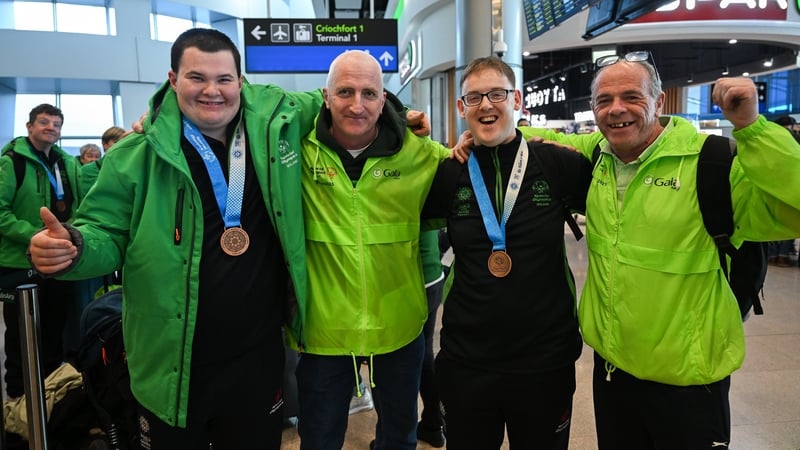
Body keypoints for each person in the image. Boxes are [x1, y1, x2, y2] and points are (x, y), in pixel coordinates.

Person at [28, 28, 324, 449]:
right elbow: (104, 231)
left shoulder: (275, 128)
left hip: (257, 359)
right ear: (173, 80)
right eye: (196, 78)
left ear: (241, 82)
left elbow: (345, 100)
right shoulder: (136, 155)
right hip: (172, 367)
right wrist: (74, 247)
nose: (212, 91)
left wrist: (401, 118)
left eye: (224, 79)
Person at [517, 51, 800, 449]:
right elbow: (536, 138)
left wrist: (752, 129)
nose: (616, 109)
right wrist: (476, 134)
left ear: (659, 101)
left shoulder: (711, 163)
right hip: (613, 373)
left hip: (689, 384)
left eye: (631, 97)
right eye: (603, 100)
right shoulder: (598, 154)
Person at [422, 56, 593, 449]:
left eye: (496, 94)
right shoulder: (450, 172)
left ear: (516, 99)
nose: (486, 105)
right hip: (467, 361)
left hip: (545, 361)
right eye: (474, 97)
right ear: (461, 107)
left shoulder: (557, 163)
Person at [292, 50, 451, 450]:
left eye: (368, 93)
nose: (356, 105)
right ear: (325, 97)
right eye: (344, 92)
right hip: (325, 334)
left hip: (398, 330)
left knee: (399, 439)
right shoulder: (296, 154)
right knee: (319, 440)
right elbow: (245, 107)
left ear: (384, 101)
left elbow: (489, 153)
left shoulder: (421, 155)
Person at [0, 103, 81, 446]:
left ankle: (49, 398)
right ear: (29, 126)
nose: (51, 128)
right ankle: (18, 407)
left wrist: (70, 237)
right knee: (22, 336)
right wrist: (36, 234)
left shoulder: (66, 162)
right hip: (18, 263)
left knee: (54, 331)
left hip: (59, 261)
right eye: (44, 122)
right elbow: (1, 212)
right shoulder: (12, 162)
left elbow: (79, 205)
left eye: (56, 124)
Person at [415, 229, 446, 447]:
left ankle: (398, 434)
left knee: (406, 359)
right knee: (424, 354)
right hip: (431, 271)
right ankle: (433, 423)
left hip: (415, 276)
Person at [767, 116, 799, 267]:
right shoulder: (792, 139)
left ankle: (773, 255)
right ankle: (782, 255)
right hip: (788, 186)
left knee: (773, 220)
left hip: (771, 184)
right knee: (786, 222)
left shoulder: (770, 139)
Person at [79, 125, 126, 195]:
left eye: (124, 142)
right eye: (116, 142)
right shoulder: (86, 171)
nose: (121, 145)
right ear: (104, 144)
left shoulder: (128, 168)